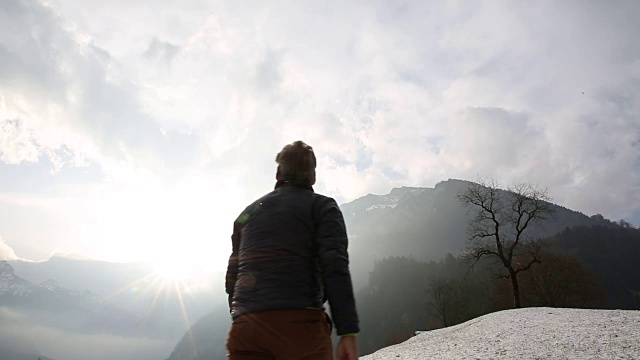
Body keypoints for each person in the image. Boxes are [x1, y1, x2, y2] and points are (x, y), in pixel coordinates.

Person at [225, 141, 359, 360]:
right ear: (313, 177)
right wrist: (348, 331)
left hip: (246, 328)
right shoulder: (323, 207)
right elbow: (335, 267)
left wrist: (240, 314)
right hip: (302, 328)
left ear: (278, 173)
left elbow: (233, 274)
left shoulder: (246, 215)